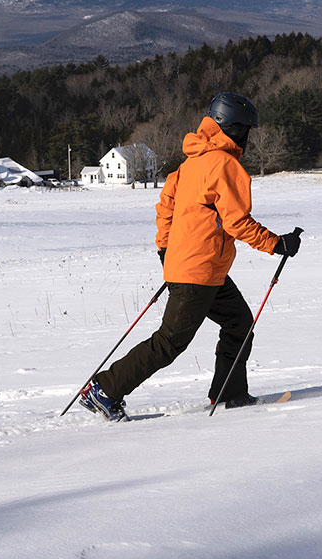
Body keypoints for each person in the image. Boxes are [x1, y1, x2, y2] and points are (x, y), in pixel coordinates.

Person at [78, 92, 303, 421]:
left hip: (203, 269)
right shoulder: (225, 165)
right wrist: (276, 244)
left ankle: (230, 392)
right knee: (169, 342)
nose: (249, 136)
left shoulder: (191, 162)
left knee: (239, 322)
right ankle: (105, 389)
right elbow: (236, 222)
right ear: (232, 127)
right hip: (198, 272)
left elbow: (165, 207)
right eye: (246, 129)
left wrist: (165, 249)